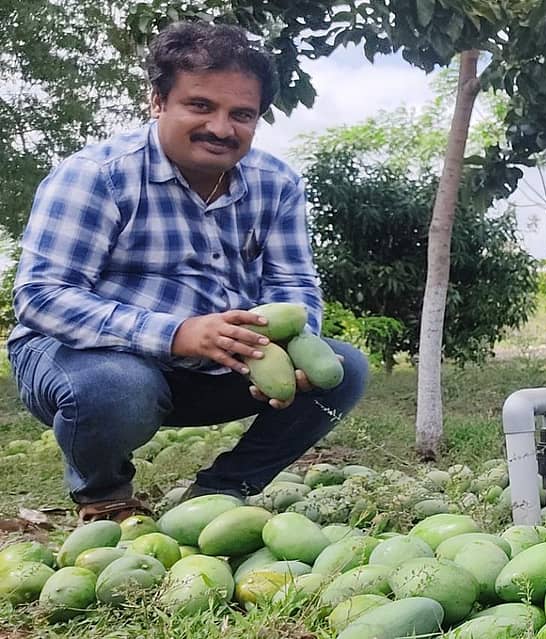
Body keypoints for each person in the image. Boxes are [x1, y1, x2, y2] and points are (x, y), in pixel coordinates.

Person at [6, 21, 369, 522]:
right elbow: (42, 297)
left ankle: (219, 494)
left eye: (241, 114)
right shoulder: (97, 176)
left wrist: (292, 353)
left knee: (341, 370)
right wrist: (177, 333)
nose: (222, 128)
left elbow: (292, 284)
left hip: (217, 360)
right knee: (117, 387)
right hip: (86, 359)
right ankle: (105, 497)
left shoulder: (276, 183)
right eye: (201, 106)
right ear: (158, 101)